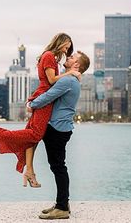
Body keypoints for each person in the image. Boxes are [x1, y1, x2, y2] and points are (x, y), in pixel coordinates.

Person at [0, 33, 80, 188]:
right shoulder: (49, 56)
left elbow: (54, 80)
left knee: (32, 135)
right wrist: (71, 73)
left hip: (45, 97)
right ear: (60, 42)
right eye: (67, 46)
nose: (67, 50)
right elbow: (52, 80)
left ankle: (30, 172)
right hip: (44, 98)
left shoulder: (51, 57)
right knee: (35, 134)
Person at [27, 51, 90, 220]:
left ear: (76, 65)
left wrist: (31, 104)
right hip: (61, 127)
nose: (67, 58)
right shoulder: (71, 79)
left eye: (71, 58)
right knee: (58, 166)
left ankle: (62, 207)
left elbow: (48, 96)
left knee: (58, 167)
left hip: (57, 128)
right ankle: (62, 203)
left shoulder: (68, 80)